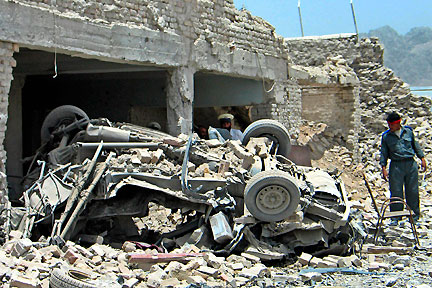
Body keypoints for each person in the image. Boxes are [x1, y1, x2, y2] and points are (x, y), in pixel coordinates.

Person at [380, 112, 427, 224]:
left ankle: (414, 217)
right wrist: (383, 168)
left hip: (410, 164)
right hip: (396, 165)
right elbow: (384, 153)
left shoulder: (408, 132)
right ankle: (396, 217)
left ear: (398, 123)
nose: (390, 127)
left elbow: (416, 146)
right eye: (389, 124)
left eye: (392, 124)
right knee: (396, 192)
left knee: (413, 191)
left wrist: (422, 159)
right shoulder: (386, 136)